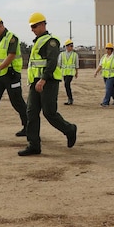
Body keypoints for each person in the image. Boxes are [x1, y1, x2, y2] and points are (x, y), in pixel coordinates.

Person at [19, 12, 77, 156]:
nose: (32, 29)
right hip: (35, 82)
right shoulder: (37, 42)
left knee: (49, 113)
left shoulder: (51, 41)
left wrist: (43, 79)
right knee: (31, 113)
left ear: (43, 25)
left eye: (34, 26)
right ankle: (33, 145)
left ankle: (70, 129)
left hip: (48, 82)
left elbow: (51, 62)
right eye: (31, 27)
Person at [93, 42, 114, 107]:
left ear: (111, 50)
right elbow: (100, 66)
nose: (107, 50)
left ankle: (105, 102)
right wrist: (96, 72)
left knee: (108, 89)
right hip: (105, 76)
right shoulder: (104, 57)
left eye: (108, 49)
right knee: (111, 89)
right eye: (106, 49)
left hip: (112, 76)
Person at [59, 39, 79, 105]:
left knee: (66, 84)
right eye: (70, 46)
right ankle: (69, 98)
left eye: (72, 46)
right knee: (66, 85)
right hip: (64, 72)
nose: (72, 47)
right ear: (67, 46)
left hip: (71, 73)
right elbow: (59, 63)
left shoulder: (75, 55)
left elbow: (76, 64)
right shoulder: (62, 54)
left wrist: (76, 72)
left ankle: (70, 99)